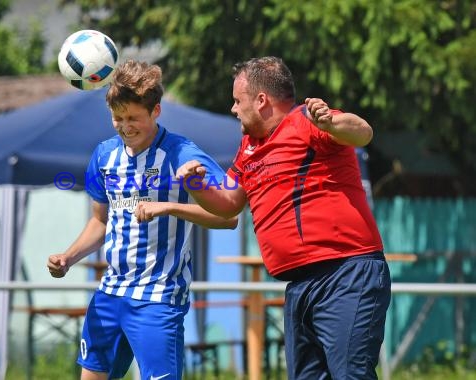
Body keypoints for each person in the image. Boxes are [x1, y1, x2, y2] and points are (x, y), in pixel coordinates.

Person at [176, 56, 391, 379]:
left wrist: (330, 123)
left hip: (346, 275)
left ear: (261, 100)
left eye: (238, 100)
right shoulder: (249, 146)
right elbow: (229, 203)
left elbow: (362, 132)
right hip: (299, 285)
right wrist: (194, 185)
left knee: (351, 374)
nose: (234, 109)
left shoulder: (307, 120)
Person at [47, 59, 237, 380]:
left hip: (158, 299)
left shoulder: (183, 154)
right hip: (110, 295)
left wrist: (169, 207)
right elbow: (100, 221)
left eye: (133, 117)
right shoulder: (105, 156)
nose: (125, 126)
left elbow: (229, 215)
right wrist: (69, 257)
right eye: (117, 118)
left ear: (156, 111)